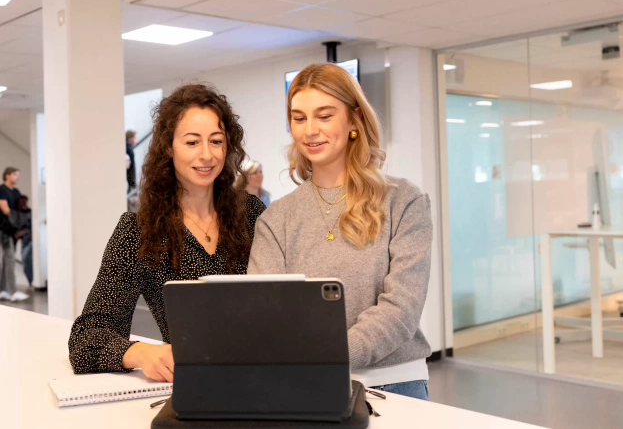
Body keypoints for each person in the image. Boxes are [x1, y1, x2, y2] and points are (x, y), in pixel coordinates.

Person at [248, 63, 433, 401]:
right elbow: (267, 312)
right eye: (299, 118)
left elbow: (401, 308)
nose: (310, 130)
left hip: (394, 386)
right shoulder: (276, 219)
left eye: (324, 115)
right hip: (305, 385)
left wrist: (325, 355)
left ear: (354, 120)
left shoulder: (404, 201)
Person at [69, 84, 266, 382]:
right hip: (193, 385)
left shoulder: (251, 214)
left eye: (216, 141)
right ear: (168, 147)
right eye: (192, 142)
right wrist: (141, 353)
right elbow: (86, 339)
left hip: (264, 375)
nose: (207, 155)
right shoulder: (138, 231)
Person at [0, 167, 29, 302]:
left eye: (18, 175)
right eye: (15, 175)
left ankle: (3, 290)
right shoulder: (2, 190)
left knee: (7, 260)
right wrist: (18, 216)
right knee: (10, 259)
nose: (17, 177)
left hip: (13, 231)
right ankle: (12, 291)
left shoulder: (16, 192)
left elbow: (20, 208)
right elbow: (5, 210)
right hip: (4, 230)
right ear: (7, 176)